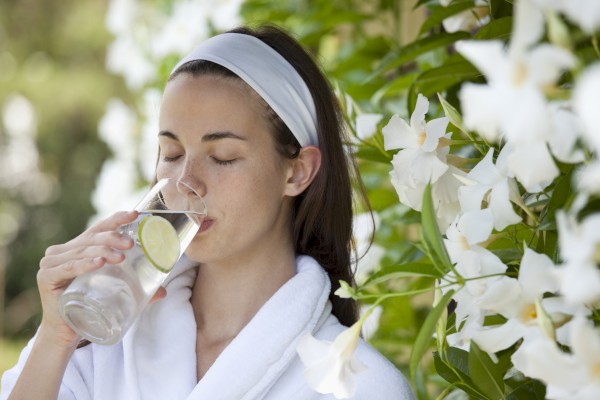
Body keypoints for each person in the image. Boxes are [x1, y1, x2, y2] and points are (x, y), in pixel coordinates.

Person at [1, 25, 415, 400]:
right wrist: (54, 339)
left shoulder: (358, 384)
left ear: (297, 171)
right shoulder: (100, 343)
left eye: (222, 157)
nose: (186, 182)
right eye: (172, 153)